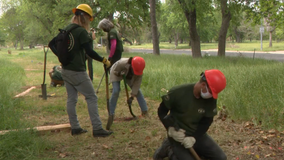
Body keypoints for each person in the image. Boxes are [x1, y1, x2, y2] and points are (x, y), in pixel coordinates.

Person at [50, 4, 113, 137]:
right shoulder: (81, 31)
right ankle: (97, 128)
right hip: (77, 71)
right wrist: (104, 60)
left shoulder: (66, 29)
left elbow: (51, 43)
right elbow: (90, 51)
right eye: (89, 19)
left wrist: (62, 58)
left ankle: (75, 127)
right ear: (84, 18)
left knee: (71, 99)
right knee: (91, 97)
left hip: (65, 70)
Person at [153, 69, 227, 160]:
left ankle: (196, 151)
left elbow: (207, 121)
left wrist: (194, 138)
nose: (211, 96)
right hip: (178, 136)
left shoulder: (210, 99)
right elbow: (161, 111)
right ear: (203, 85)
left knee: (221, 158)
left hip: (196, 135)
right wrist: (170, 129)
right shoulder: (178, 92)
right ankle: (168, 147)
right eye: (211, 92)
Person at [107, 56, 148, 129]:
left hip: (129, 75)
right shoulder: (121, 63)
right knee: (116, 91)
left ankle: (145, 111)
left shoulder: (139, 70)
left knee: (138, 91)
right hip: (116, 72)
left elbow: (136, 85)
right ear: (132, 65)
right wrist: (120, 73)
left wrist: (132, 97)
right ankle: (111, 114)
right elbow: (114, 71)